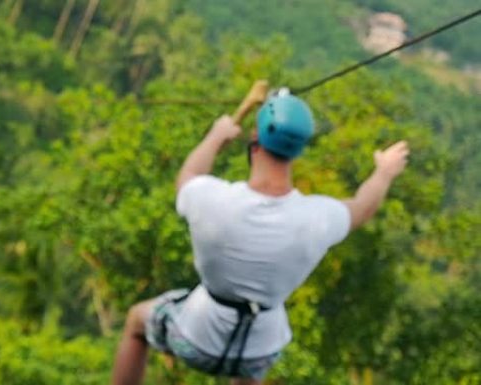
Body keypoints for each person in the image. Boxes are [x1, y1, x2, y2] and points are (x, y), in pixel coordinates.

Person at [110, 81, 410, 385]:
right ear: (300, 149)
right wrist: (384, 171)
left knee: (137, 321)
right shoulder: (319, 218)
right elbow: (363, 206)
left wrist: (216, 137)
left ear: (256, 138)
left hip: (195, 340)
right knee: (250, 363)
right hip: (258, 356)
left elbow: (187, 177)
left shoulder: (211, 200)